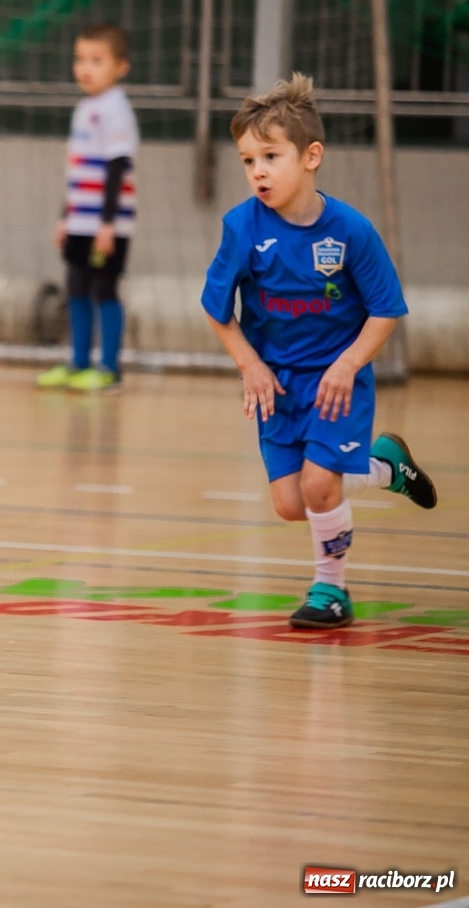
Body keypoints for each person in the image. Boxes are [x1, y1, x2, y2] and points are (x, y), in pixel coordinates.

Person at [200, 74, 437, 629]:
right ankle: (385, 468)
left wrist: (349, 364)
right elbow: (217, 310)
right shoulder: (241, 227)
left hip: (337, 380)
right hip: (276, 386)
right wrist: (250, 363)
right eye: (247, 160)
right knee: (290, 504)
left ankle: (331, 593)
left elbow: (386, 311)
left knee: (317, 485)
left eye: (270, 156)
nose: (257, 170)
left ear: (311, 156)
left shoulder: (352, 231)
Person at [38, 23, 139, 393]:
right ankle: (79, 362)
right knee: (76, 286)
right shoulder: (85, 108)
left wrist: (108, 225)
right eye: (80, 59)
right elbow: (77, 171)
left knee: (104, 288)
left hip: (104, 225)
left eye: (97, 60)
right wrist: (66, 216)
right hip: (80, 221)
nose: (86, 68)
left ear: (120, 67)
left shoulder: (116, 110)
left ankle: (109, 368)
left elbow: (117, 168)